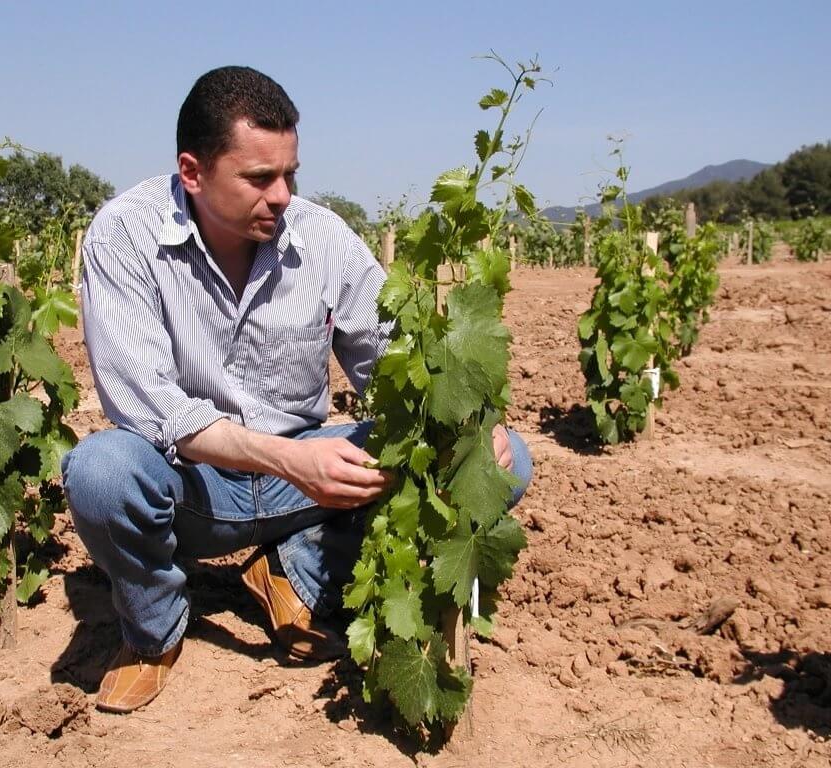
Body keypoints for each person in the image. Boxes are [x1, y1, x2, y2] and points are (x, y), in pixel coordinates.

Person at [62, 65, 533, 714]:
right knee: (100, 471)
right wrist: (289, 460)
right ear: (193, 173)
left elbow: (390, 360)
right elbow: (149, 407)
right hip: (194, 484)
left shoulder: (322, 237)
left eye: (291, 174)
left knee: (498, 463)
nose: (282, 195)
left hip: (302, 477)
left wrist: (470, 422)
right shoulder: (126, 236)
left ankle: (292, 569)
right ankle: (153, 634)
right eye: (259, 178)